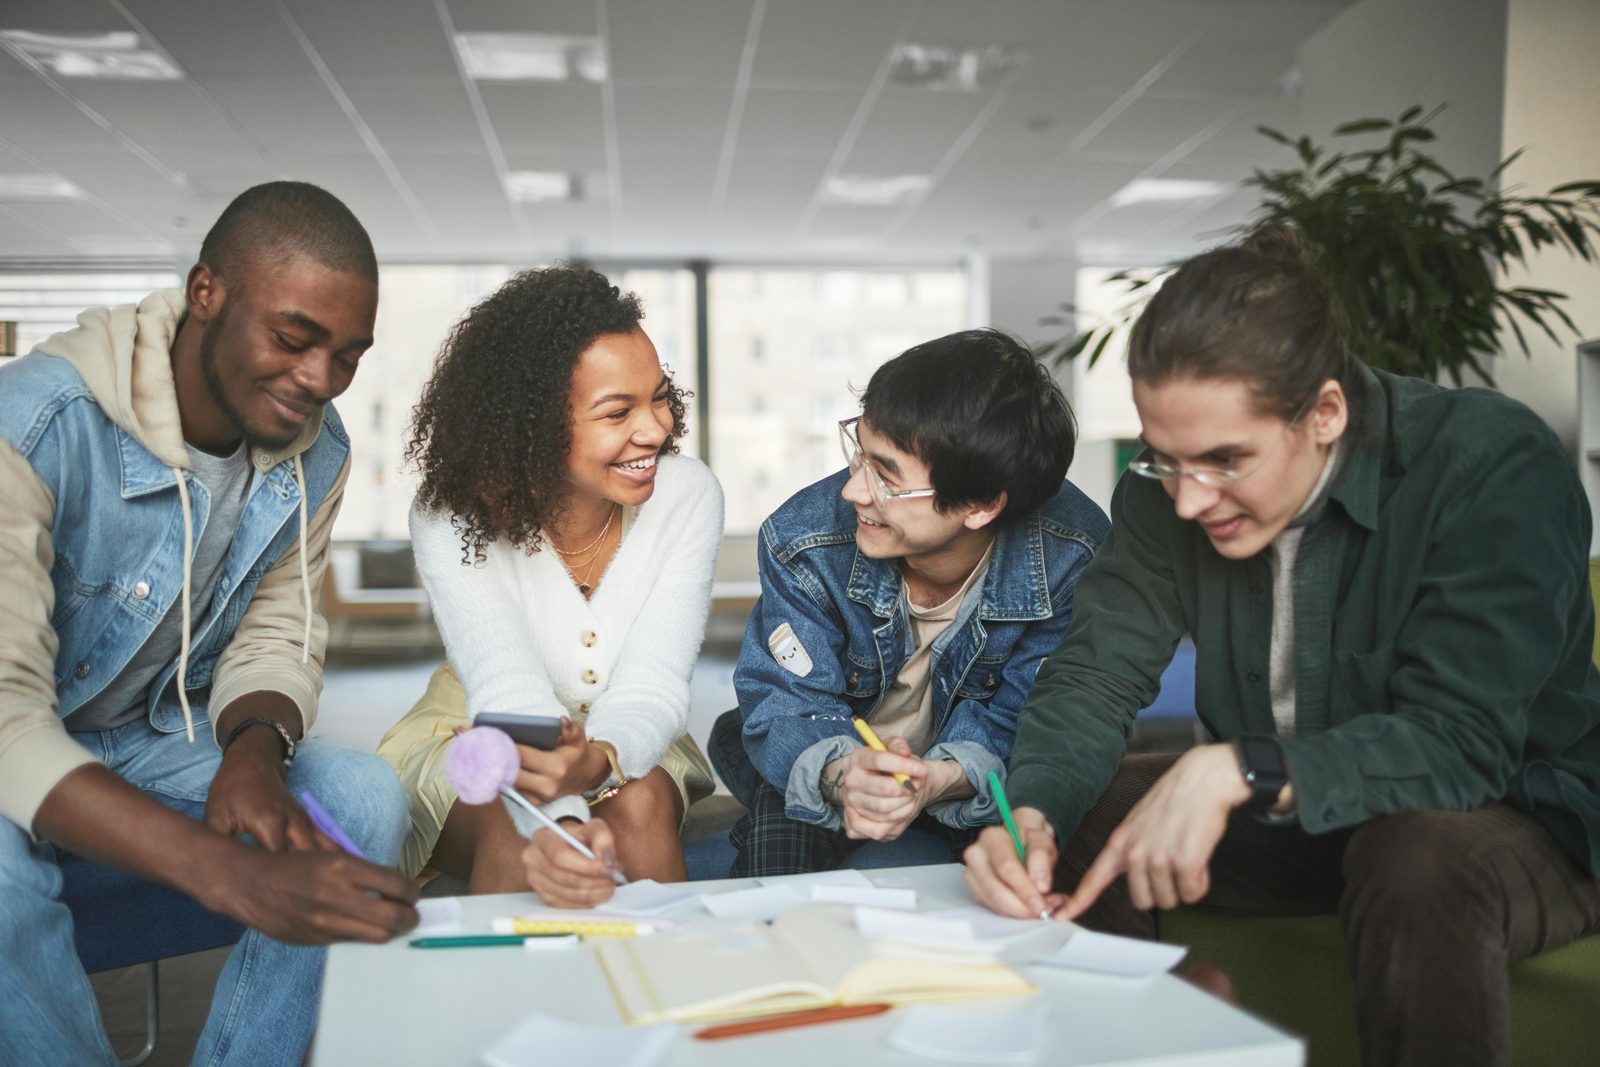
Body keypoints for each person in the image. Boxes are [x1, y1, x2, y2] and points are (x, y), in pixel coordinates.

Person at [963, 228, 1600, 1067]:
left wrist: (1238, 767)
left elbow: (1463, 742)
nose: (1190, 499)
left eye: (1227, 461)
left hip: (1516, 816)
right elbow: (1093, 674)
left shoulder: (1489, 463)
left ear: (1326, 412)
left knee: (1411, 853)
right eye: (1165, 458)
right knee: (1089, 811)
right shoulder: (1166, 494)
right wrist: (1033, 811)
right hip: (1303, 817)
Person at [0, 181, 419, 1067]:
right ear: (206, 294)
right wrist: (229, 871)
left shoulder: (319, 449)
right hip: (17, 738)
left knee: (360, 796)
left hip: (142, 737)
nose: (319, 380)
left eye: (347, 355)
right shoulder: (36, 424)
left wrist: (253, 750)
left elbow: (278, 632)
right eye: (294, 338)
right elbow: (7, 723)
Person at [378, 265, 720, 906]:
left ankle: (670, 996)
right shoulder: (450, 514)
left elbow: (652, 682)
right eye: (617, 411)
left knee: (639, 802)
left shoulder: (687, 496)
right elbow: (506, 683)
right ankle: (512, 1006)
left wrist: (602, 759)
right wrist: (561, 817)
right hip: (480, 729)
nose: (656, 429)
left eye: (659, 397)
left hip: (633, 729)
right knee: (519, 823)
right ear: (531, 424)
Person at [709, 329, 1109, 876]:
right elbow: (787, 703)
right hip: (834, 738)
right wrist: (848, 774)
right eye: (860, 455)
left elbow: (1029, 722)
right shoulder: (803, 537)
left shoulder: (1071, 553)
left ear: (981, 505)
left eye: (888, 478)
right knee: (775, 812)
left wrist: (936, 781)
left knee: (1016, 854)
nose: (854, 492)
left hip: (967, 763)